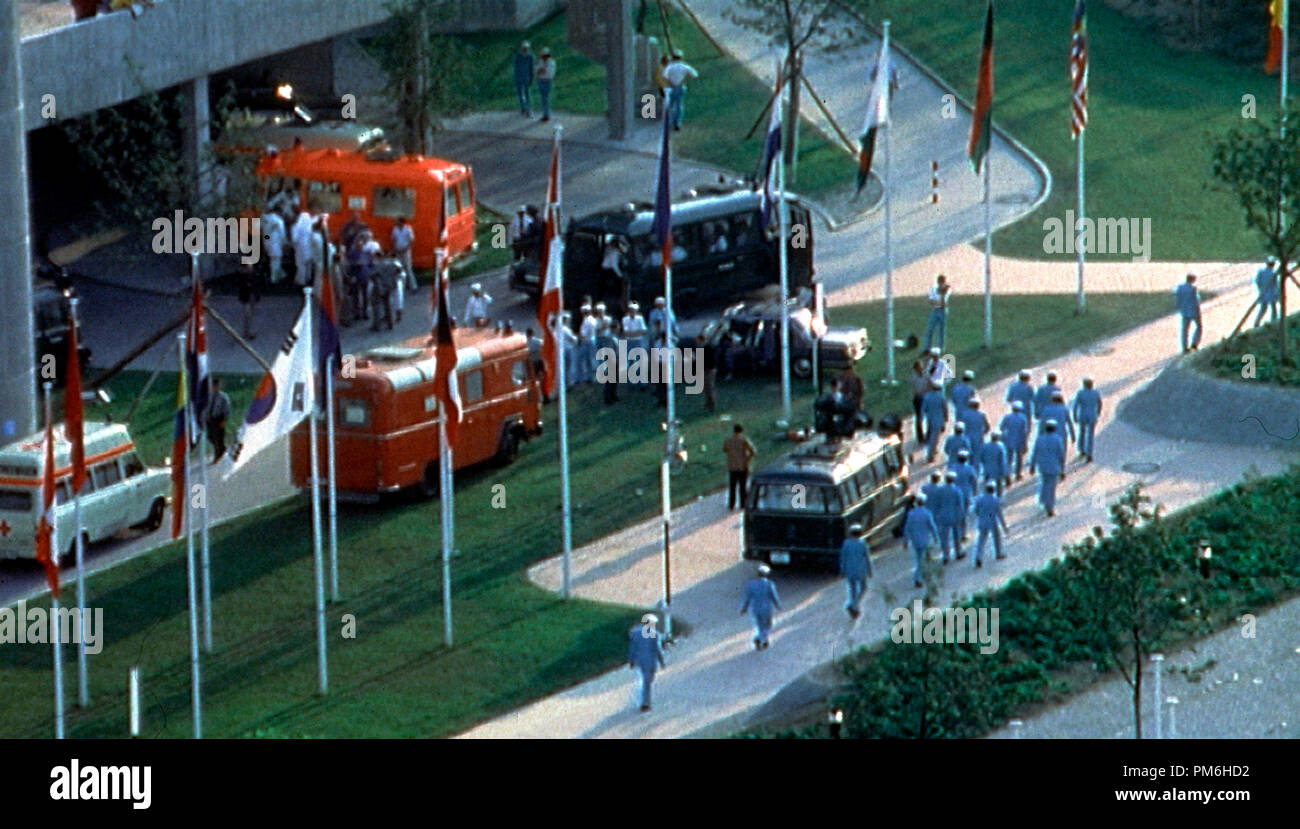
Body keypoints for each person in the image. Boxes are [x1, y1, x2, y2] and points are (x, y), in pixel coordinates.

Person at [627, 613, 666, 711]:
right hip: (650, 662)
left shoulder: (635, 633)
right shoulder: (655, 634)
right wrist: (661, 661)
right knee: (647, 682)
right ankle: (644, 703)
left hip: (639, 661)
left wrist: (631, 660)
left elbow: (632, 648)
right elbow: (657, 649)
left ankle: (642, 701)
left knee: (643, 681)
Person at [1029, 419, 1067, 517]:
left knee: (1044, 483)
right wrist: (1062, 469)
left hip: (1042, 466)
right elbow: (1061, 455)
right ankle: (1049, 507)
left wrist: (1032, 466)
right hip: (1054, 466)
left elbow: (1035, 453)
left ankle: (1043, 501)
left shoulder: (1039, 439)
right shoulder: (1058, 439)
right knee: (1051, 487)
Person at [904, 493, 941, 588]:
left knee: (918, 558)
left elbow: (907, 528)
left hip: (915, 540)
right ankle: (918, 578)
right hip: (924, 539)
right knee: (921, 560)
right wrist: (936, 538)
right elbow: (932, 526)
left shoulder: (911, 514)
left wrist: (905, 540)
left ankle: (919, 576)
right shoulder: (927, 513)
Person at [740, 564, 781, 650]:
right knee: (768, 625)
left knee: (759, 626)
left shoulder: (750, 584)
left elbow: (747, 598)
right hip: (766, 609)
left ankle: (762, 639)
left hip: (755, 608)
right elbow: (774, 596)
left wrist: (744, 608)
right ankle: (760, 638)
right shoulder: (769, 584)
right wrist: (778, 605)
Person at [973, 482, 1009, 567]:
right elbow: (1000, 514)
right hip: (992, 520)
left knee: (981, 540)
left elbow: (976, 510)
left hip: (982, 520)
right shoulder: (995, 500)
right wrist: (1004, 526)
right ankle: (998, 553)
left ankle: (978, 557)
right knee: (996, 537)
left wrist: (980, 516)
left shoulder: (980, 499)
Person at [839, 524, 871, 620]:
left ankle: (853, 605)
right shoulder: (862, 543)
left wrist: (842, 570)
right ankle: (853, 606)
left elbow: (843, 558)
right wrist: (870, 570)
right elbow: (867, 557)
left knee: (852, 590)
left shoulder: (846, 544)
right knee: (863, 588)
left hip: (849, 570)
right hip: (861, 570)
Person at [661, 52, 699, 130]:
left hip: (671, 87)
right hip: (680, 86)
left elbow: (664, 75)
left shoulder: (670, 67)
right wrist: (685, 79)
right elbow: (695, 74)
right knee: (679, 105)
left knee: (670, 105)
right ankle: (677, 123)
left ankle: (669, 122)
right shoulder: (684, 66)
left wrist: (669, 82)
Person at [723, 424, 756, 510]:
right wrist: (747, 459)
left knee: (732, 487)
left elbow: (725, 450)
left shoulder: (728, 440)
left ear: (734, 430)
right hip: (742, 466)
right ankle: (742, 504)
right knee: (742, 487)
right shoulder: (744, 439)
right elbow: (753, 451)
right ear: (741, 431)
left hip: (732, 466)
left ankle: (732, 504)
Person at [1071, 377, 1103, 462]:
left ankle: (1081, 451)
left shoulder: (1080, 392)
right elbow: (1099, 403)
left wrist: (1074, 415)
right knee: (1090, 435)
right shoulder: (1095, 392)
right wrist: (1098, 412)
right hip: (1092, 415)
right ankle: (1089, 453)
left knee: (1081, 433)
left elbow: (1075, 405)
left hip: (1082, 414)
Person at [949, 450, 978, 541]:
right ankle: (963, 533)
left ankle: (956, 532)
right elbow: (974, 481)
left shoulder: (953, 468)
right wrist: (974, 491)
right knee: (964, 514)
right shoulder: (969, 469)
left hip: (954, 492)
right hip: (965, 493)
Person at [999, 400, 1030, 481]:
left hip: (1008, 440)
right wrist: (1025, 443)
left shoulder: (1007, 417)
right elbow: (1024, 431)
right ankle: (1018, 474)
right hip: (1019, 440)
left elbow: (1001, 428)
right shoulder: (1023, 418)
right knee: (1019, 458)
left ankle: (1007, 475)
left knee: (1008, 459)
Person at [957, 397, 990, 473]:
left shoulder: (964, 414)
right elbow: (987, 427)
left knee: (967, 454)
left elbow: (961, 426)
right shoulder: (981, 415)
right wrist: (982, 433)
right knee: (977, 456)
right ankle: (975, 472)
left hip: (967, 436)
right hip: (978, 437)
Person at [1039, 390, 1075, 456]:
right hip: (1062, 435)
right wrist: (1073, 436)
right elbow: (1070, 424)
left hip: (1048, 435)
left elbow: (1042, 424)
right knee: (1061, 454)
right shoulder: (1064, 409)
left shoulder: (1046, 409)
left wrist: (1040, 435)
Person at [921, 379, 947, 462]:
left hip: (930, 419)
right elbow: (944, 408)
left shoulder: (927, 396)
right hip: (939, 419)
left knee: (933, 436)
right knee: (934, 437)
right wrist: (946, 418)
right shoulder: (941, 397)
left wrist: (923, 417)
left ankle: (933, 450)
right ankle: (930, 456)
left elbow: (923, 409)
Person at [922, 274, 950, 353]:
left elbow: (943, 303)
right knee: (930, 329)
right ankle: (926, 348)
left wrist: (942, 295)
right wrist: (937, 302)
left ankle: (941, 348)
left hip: (943, 310)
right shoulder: (933, 289)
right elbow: (931, 301)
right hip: (935, 310)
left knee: (941, 330)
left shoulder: (946, 290)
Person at [1175, 273, 1202, 353]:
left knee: (1184, 330)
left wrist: (1180, 308)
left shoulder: (1180, 287)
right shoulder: (1193, 289)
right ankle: (1194, 344)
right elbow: (1196, 300)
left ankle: (1184, 347)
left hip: (1184, 311)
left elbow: (1177, 300)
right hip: (1193, 311)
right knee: (1199, 327)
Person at [206, 378, 231, 464]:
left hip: (219, 419)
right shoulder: (208, 396)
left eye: (217, 386)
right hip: (210, 419)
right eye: (213, 386)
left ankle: (217, 456)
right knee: (209, 436)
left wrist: (224, 420)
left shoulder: (223, 397)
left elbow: (227, 409)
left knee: (218, 438)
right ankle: (222, 449)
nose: (215, 387)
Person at [235, 260, 261, 340]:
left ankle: (248, 331)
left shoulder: (252, 275)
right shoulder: (243, 277)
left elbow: (256, 287)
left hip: (251, 298)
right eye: (249, 266)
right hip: (246, 298)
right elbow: (243, 287)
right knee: (248, 315)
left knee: (250, 316)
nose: (251, 268)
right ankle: (247, 332)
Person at [979, 430, 1008, 496]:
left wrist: (985, 465)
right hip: (997, 470)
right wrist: (1005, 473)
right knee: (998, 487)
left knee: (987, 486)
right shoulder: (1000, 446)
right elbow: (1003, 461)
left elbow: (981, 458)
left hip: (987, 470)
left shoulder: (985, 446)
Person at [391, 217, 417, 291]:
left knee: (408, 268)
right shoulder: (395, 229)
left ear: (401, 222)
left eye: (397, 221)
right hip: (398, 251)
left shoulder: (408, 229)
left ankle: (413, 286)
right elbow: (393, 239)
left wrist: (405, 249)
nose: (396, 222)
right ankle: (400, 286)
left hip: (406, 251)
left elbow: (411, 241)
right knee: (398, 268)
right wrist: (395, 249)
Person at [1254, 256, 1280, 327]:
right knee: (1273, 307)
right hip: (1271, 293)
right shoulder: (1273, 273)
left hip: (1263, 292)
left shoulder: (1261, 272)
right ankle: (1273, 321)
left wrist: (1261, 289)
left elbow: (1257, 281)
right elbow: (1276, 284)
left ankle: (1257, 322)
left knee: (1263, 308)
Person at [291, 210, 315, 287]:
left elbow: (294, 238)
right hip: (310, 248)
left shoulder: (297, 227)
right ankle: (308, 279)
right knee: (308, 265)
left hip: (300, 248)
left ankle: (301, 281)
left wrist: (293, 246)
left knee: (301, 265)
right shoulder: (311, 226)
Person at [262, 208, 286, 285]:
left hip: (268, 243)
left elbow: (265, 235)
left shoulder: (264, 220)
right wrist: (284, 243)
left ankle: (279, 275)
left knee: (272, 261)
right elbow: (282, 234)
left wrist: (267, 241)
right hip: (277, 244)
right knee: (276, 261)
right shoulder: (279, 221)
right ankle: (274, 278)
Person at [910, 360, 930, 446]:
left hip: (925, 397)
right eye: (917, 368)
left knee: (929, 416)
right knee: (919, 418)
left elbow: (929, 385)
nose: (919, 369)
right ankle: (920, 437)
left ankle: (928, 435)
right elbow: (915, 389)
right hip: (918, 398)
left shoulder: (926, 375)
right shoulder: (914, 378)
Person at [513, 41, 535, 117]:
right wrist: (516, 77)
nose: (525, 49)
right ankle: (523, 107)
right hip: (519, 78)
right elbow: (516, 68)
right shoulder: (518, 56)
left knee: (527, 94)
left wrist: (532, 78)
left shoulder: (530, 56)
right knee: (520, 94)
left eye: (526, 48)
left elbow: (531, 68)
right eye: (524, 48)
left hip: (527, 78)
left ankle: (528, 109)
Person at [535, 47, 557, 122]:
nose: (544, 57)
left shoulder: (551, 62)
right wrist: (540, 71)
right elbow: (536, 71)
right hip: (541, 81)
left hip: (548, 81)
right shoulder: (540, 61)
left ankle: (546, 114)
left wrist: (540, 70)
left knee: (546, 98)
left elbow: (547, 72)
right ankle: (545, 114)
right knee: (542, 98)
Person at [577, 303, 597, 383]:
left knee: (582, 360)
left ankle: (584, 378)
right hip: (591, 340)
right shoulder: (593, 319)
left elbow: (583, 334)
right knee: (590, 360)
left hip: (587, 341)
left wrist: (578, 336)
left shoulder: (586, 321)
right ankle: (591, 377)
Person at [698, 333, 717, 412]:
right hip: (705, 369)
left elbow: (708, 359)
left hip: (709, 369)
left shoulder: (707, 348)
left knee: (709, 388)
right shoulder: (703, 348)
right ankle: (707, 403)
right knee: (706, 388)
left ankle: (711, 405)